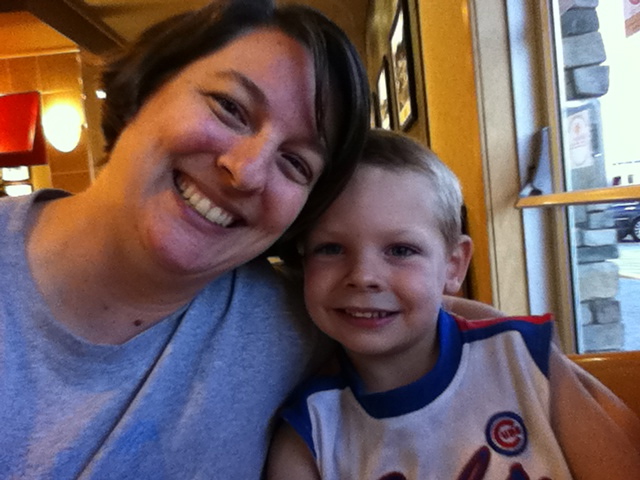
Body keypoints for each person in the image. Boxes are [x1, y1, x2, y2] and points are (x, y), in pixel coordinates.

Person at [0, 2, 498, 478]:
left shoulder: (290, 318)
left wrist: (533, 356)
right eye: (230, 108)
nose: (246, 170)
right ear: (144, 89)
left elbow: (431, 311)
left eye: (296, 162)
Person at [266, 129, 640, 480]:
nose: (363, 276)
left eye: (401, 250)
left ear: (453, 266)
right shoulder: (308, 433)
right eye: (330, 248)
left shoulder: (523, 358)